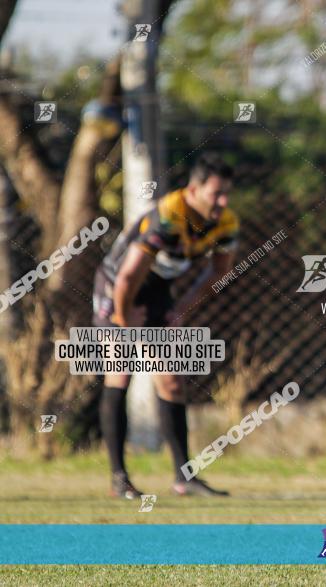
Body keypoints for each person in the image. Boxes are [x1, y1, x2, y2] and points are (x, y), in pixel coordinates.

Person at [93, 153, 239, 498]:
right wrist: (122, 318)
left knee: (171, 380)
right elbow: (127, 276)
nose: (222, 202)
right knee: (120, 371)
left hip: (156, 290)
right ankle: (119, 480)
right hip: (117, 289)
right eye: (215, 193)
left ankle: (183, 478)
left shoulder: (225, 222)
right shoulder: (168, 216)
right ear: (193, 189)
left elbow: (220, 271)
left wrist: (182, 309)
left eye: (226, 194)